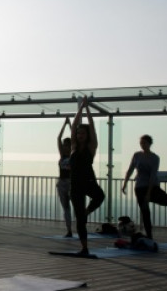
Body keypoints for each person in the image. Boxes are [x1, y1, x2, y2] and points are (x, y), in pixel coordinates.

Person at [69, 96, 106, 257]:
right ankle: (84, 247)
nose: (80, 135)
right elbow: (73, 126)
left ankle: (87, 210)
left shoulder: (91, 147)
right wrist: (80, 110)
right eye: (78, 133)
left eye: (82, 133)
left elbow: (92, 127)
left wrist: (87, 108)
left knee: (100, 196)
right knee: (80, 220)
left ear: (87, 135)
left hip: (89, 181)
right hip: (75, 185)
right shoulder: (73, 147)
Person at [121, 134, 167, 239]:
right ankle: (149, 236)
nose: (142, 145)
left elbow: (153, 175)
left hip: (152, 186)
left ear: (149, 144)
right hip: (140, 187)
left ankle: (148, 199)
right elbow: (130, 170)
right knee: (145, 212)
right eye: (141, 143)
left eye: (144, 143)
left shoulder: (155, 158)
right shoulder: (137, 155)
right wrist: (124, 183)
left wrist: (149, 194)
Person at [56, 116, 74, 238]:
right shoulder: (62, 155)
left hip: (71, 183)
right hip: (62, 183)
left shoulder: (74, 155)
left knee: (77, 206)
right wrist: (65, 124)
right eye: (64, 145)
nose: (65, 146)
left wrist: (71, 125)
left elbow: (75, 139)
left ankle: (80, 228)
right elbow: (58, 138)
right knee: (66, 208)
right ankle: (69, 230)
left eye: (67, 145)